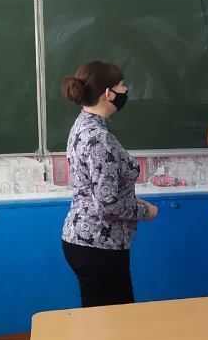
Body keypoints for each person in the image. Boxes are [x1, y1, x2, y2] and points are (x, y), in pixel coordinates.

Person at [60, 60, 158, 307]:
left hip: (89, 240)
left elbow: (100, 189)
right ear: (108, 93)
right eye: (122, 85)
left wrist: (132, 201)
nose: (126, 90)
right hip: (99, 244)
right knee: (114, 322)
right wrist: (145, 211)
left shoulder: (84, 125)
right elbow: (107, 204)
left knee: (104, 319)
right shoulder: (98, 139)